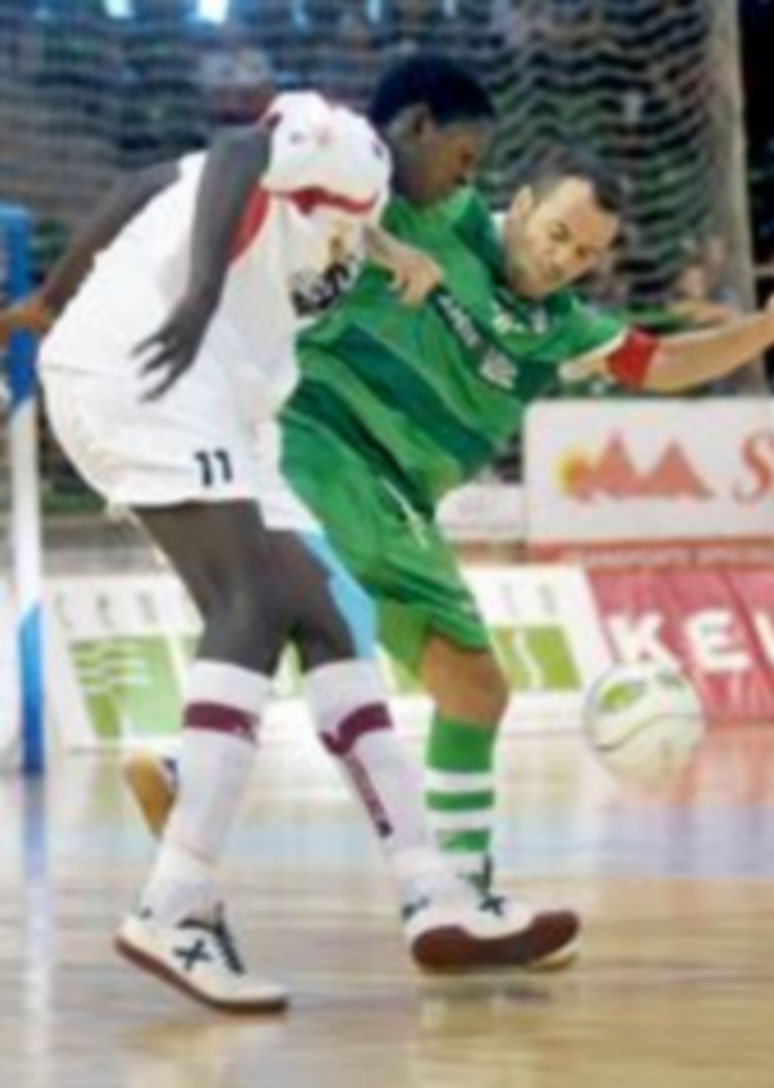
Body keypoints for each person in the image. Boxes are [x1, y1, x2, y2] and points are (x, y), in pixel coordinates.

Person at [1, 57, 580, 1014]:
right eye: (464, 158)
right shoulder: (351, 145)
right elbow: (239, 151)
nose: (465, 183)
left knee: (326, 620)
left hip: (220, 402)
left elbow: (151, 183)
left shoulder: (355, 203)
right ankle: (176, 904)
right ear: (417, 125)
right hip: (152, 372)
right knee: (255, 601)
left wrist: (51, 296)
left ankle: (432, 892)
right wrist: (196, 294)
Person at [119, 144, 774, 889]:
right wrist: (377, 241)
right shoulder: (446, 214)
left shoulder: (562, 326)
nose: (564, 260)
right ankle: (203, 777)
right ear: (525, 205)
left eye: (586, 254)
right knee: (316, 603)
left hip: (399, 501)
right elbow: (334, 198)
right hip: (320, 442)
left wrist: (767, 330)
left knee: (473, 689)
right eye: (558, 234)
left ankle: (452, 883)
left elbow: (659, 363)